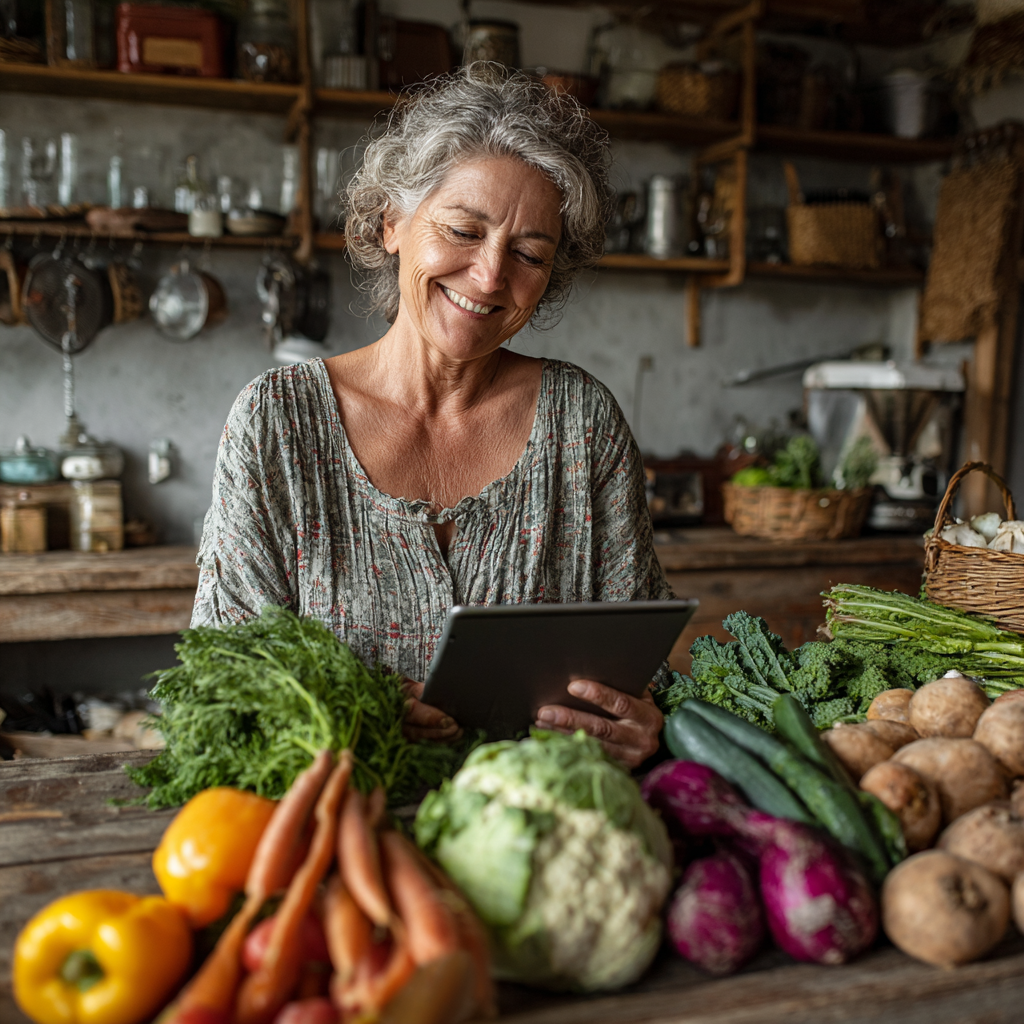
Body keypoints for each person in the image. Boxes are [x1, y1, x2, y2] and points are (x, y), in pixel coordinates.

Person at [193, 64, 673, 768]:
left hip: (530, 832)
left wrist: (636, 722)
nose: (488, 276)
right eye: (462, 230)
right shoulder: (279, 423)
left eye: (528, 254)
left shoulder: (583, 422)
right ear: (391, 223)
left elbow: (640, 671)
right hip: (338, 835)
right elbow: (218, 687)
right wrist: (353, 711)